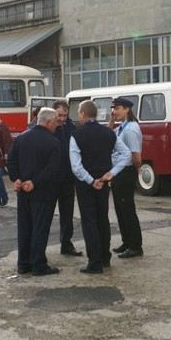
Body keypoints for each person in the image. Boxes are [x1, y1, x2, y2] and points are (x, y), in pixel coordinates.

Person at [69, 100, 132, 273]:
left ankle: (94, 262)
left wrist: (90, 180)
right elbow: (126, 154)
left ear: (82, 114)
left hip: (86, 184)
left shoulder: (76, 134)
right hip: (104, 181)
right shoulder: (108, 133)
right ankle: (105, 257)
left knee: (89, 221)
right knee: (102, 219)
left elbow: (76, 165)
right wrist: (112, 172)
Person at [6, 107, 61, 277]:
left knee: (25, 227)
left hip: (23, 191)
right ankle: (38, 264)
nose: (57, 125)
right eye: (56, 122)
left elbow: (11, 160)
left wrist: (16, 179)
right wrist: (35, 183)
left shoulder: (21, 138)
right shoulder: (53, 142)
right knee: (40, 227)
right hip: (43, 192)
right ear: (48, 121)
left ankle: (23, 263)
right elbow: (52, 169)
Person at [108, 97, 144, 259]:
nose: (114, 112)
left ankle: (135, 246)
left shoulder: (130, 129)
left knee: (127, 210)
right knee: (120, 209)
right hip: (119, 172)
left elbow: (136, 156)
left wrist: (137, 171)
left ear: (127, 109)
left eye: (118, 108)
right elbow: (109, 135)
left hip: (126, 172)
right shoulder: (123, 127)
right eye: (113, 109)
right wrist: (111, 120)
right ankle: (127, 242)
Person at [52, 100, 81, 256]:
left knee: (67, 214)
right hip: (51, 179)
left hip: (68, 178)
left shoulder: (71, 127)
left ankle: (66, 244)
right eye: (59, 115)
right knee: (46, 214)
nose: (62, 118)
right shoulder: (47, 127)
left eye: (64, 115)